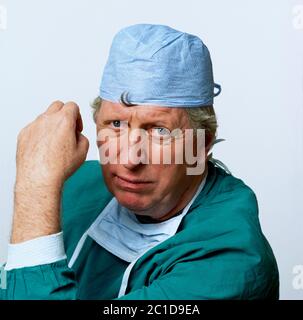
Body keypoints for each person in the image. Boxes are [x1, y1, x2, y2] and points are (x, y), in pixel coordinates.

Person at [0, 24, 279, 300]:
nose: (130, 159)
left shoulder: (229, 262)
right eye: (116, 124)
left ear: (201, 143)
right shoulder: (75, 185)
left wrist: (34, 185)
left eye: (160, 131)